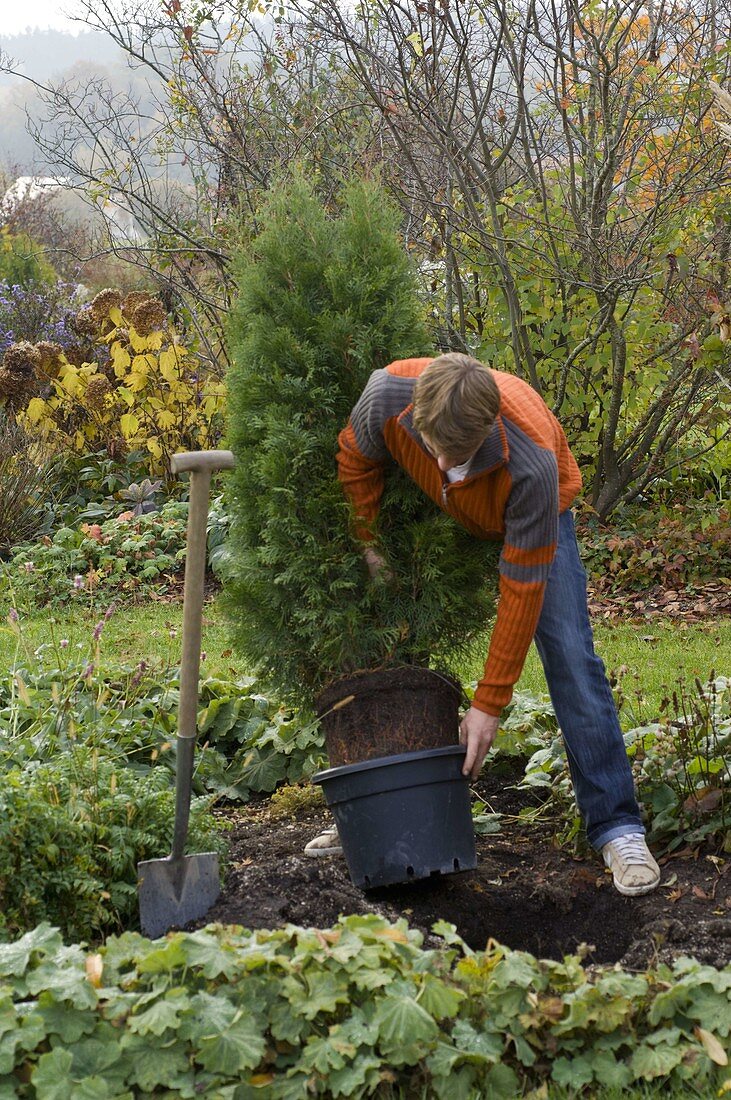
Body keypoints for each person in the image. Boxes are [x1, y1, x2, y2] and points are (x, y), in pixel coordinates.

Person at [305, 353, 660, 897]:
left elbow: (520, 592)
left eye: (460, 454)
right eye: (433, 447)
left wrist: (489, 703)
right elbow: (354, 457)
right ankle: (378, 810)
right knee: (392, 648)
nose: (444, 463)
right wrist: (369, 541)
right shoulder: (387, 397)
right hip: (438, 513)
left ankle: (618, 827)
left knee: (569, 655)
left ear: (486, 431)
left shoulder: (533, 465)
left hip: (529, 510)